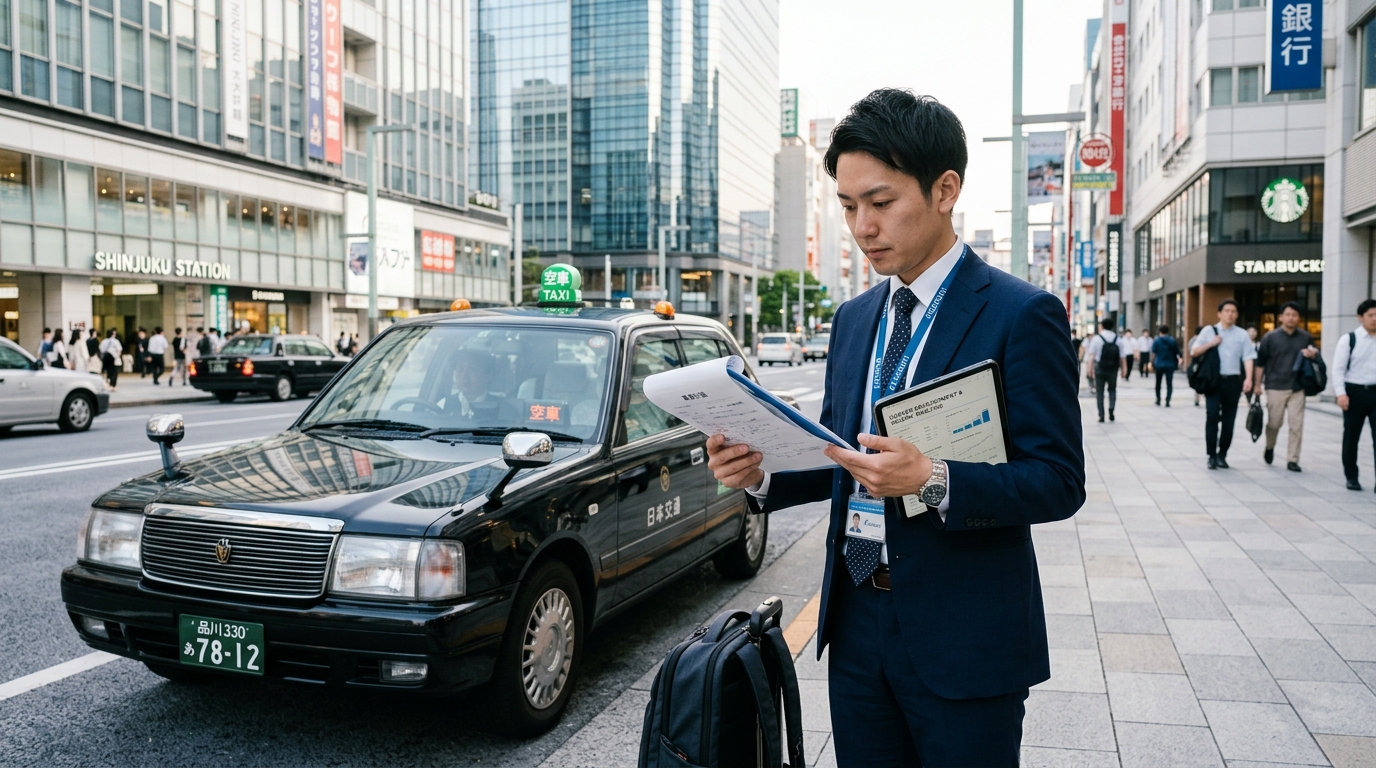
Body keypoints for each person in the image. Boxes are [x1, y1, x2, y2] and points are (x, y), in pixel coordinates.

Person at [705, 90, 1085, 766]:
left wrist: (934, 479)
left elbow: (1057, 480)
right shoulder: (855, 318)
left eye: (880, 203)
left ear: (945, 190)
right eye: (849, 207)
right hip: (856, 624)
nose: (862, 226)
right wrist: (761, 471)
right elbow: (842, 454)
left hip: (964, 636)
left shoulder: (1021, 314)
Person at [1191, 299, 1256, 469]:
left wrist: (1248, 378)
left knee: (1229, 420)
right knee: (1212, 416)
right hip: (1214, 381)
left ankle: (1222, 454)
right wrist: (1211, 343)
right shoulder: (1209, 331)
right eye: (1226, 310)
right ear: (1219, 313)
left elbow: (1248, 357)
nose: (1230, 314)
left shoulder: (1242, 334)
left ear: (1237, 314)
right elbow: (1195, 351)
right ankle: (1211, 455)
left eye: (1233, 311)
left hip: (1233, 381)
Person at [1254, 302, 1317, 471]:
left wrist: (1312, 354)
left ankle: (1292, 459)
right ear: (1281, 317)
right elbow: (1260, 364)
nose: (1291, 318)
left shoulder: (1305, 337)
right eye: (1288, 314)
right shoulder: (1270, 337)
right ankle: (1269, 446)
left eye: (1294, 315)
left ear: (1298, 318)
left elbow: (1315, 355)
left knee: (1296, 424)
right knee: (1275, 423)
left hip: (1297, 386)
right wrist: (1257, 385)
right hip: (1275, 386)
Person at [1334, 299, 1376, 491]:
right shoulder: (1349, 339)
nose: (1375, 319)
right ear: (1361, 318)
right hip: (1354, 392)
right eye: (1371, 315)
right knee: (1351, 437)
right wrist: (1341, 393)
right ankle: (1351, 477)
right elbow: (1338, 369)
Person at [1085, 318, 1124, 422]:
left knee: (1100, 392)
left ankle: (1101, 415)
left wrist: (1089, 369)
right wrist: (1124, 369)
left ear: (1102, 326)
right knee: (1112, 390)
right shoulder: (1118, 339)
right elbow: (1122, 357)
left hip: (1100, 368)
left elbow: (1091, 356)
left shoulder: (1097, 339)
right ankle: (1111, 409)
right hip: (1113, 369)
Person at [1151, 325, 1182, 406]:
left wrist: (1152, 362)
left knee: (1158, 383)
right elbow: (1178, 352)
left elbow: (1153, 353)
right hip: (1170, 364)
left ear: (1160, 331)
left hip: (1159, 364)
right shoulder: (1172, 340)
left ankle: (1158, 399)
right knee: (1169, 383)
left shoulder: (1157, 340)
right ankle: (1168, 400)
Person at [1186, 325, 1204, 407]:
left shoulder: (1192, 340)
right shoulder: (1202, 340)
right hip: (1202, 363)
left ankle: (1196, 399)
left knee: (1198, 380)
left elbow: (1190, 350)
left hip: (1194, 363)